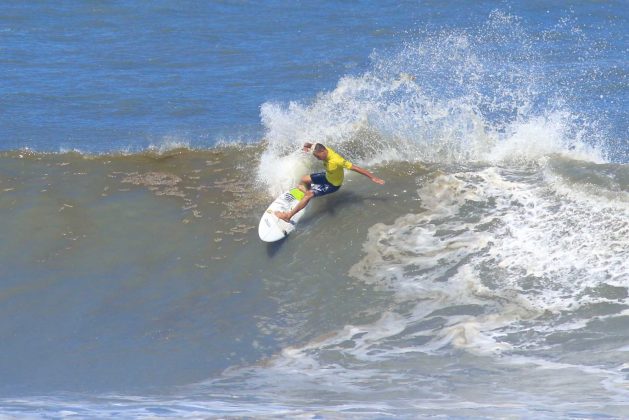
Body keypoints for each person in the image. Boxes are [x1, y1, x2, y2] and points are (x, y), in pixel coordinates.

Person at [275, 142, 385, 222]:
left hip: (333, 185)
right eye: (315, 156)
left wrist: (372, 177)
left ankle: (288, 216)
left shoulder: (337, 160)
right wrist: (306, 146)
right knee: (304, 179)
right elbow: (312, 144)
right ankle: (308, 195)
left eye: (318, 156)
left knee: (308, 195)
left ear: (323, 151)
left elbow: (356, 168)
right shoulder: (322, 148)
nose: (317, 159)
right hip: (327, 176)